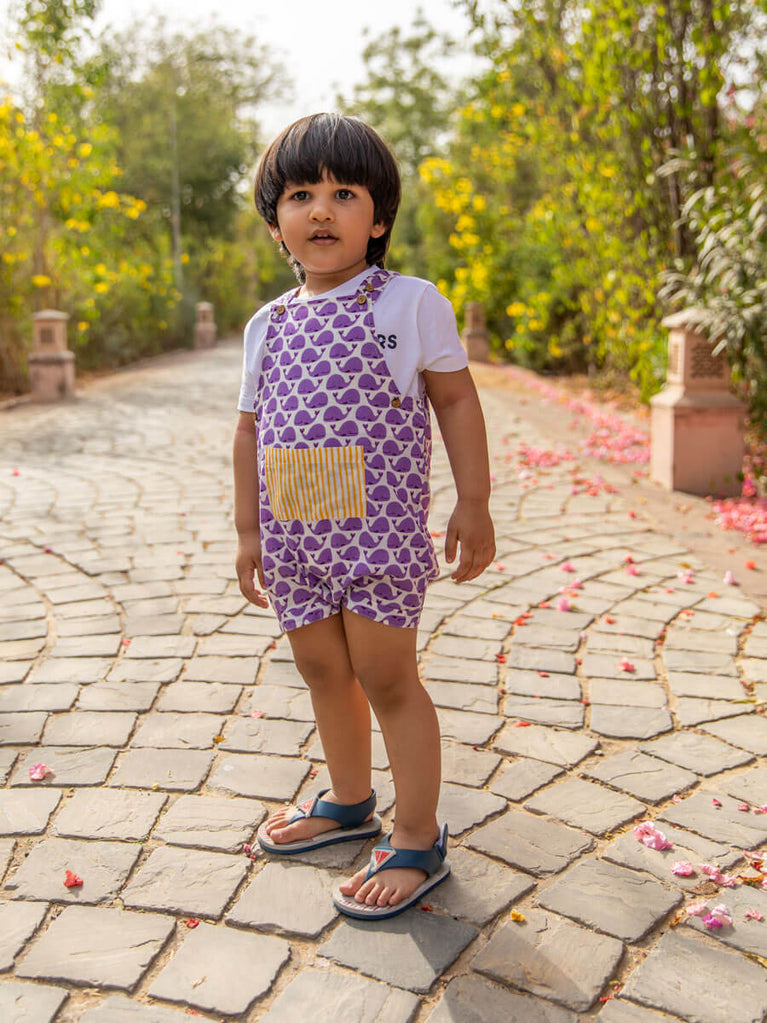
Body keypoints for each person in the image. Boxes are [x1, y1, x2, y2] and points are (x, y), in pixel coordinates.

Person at [233, 113, 494, 920]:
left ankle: (417, 836)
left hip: (378, 539)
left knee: (387, 677)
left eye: (344, 193)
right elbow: (248, 429)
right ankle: (348, 801)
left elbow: (456, 399)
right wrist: (247, 531)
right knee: (321, 671)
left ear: (377, 218)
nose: (321, 209)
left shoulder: (408, 303)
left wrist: (474, 501)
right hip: (293, 538)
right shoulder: (268, 324)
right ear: (274, 219)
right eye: (300, 194)